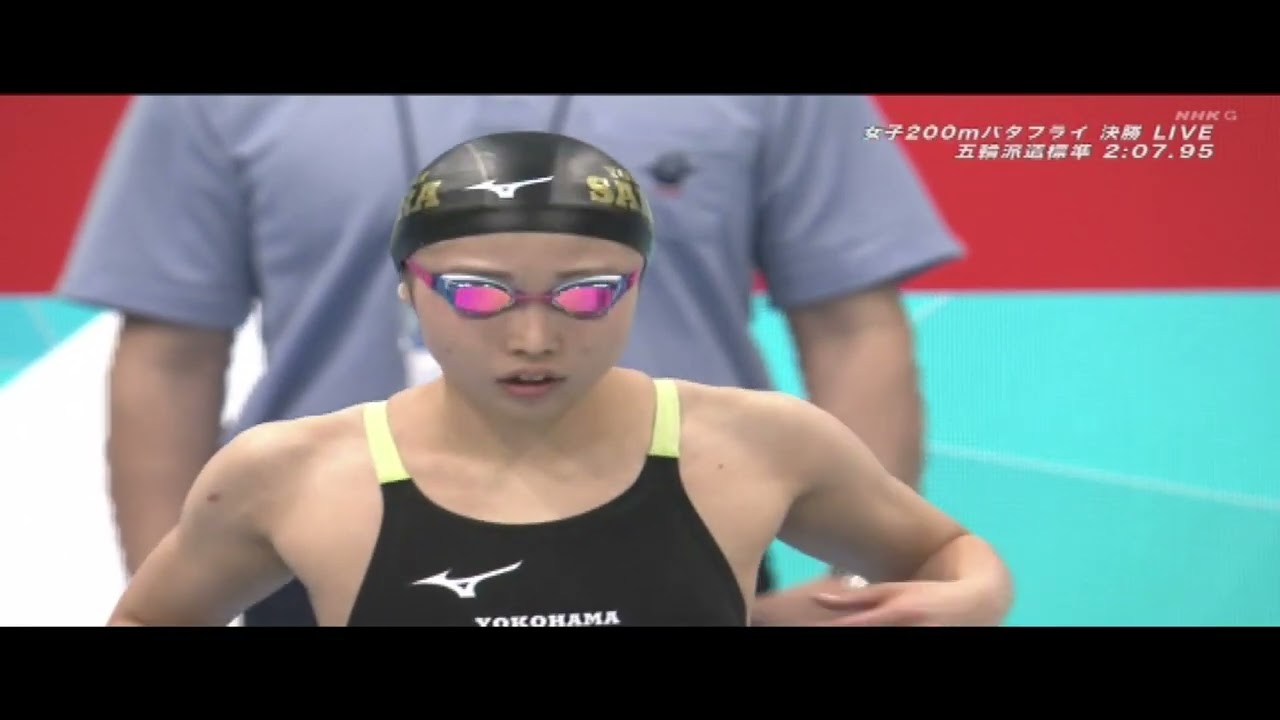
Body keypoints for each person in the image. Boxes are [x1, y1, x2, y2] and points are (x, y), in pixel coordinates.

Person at [62, 95, 962, 626]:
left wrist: (854, 594)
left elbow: (851, 324)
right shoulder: (212, 102)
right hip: (315, 558)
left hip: (687, 542)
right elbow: (171, 353)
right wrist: (183, 591)